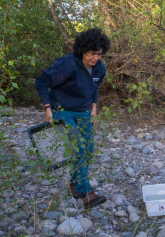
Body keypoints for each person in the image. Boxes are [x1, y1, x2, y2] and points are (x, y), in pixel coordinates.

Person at [35, 28, 110, 209]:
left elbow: (94, 87)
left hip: (83, 110)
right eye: (92, 54)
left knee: (88, 149)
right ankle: (86, 193)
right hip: (62, 110)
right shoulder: (67, 63)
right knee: (79, 147)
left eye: (99, 54)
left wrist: (93, 107)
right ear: (82, 50)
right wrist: (48, 109)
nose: (96, 58)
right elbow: (41, 82)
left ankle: (74, 186)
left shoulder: (100, 68)